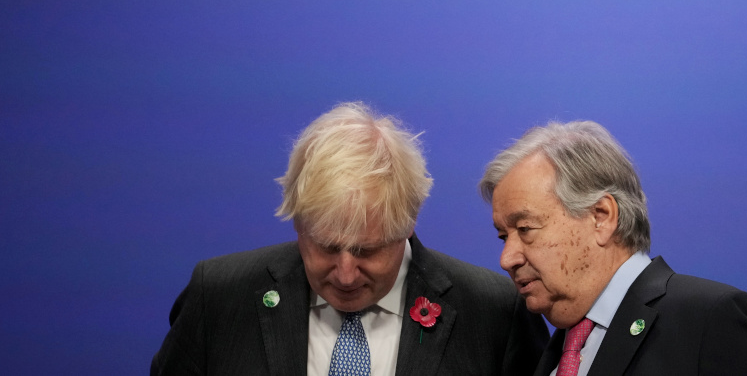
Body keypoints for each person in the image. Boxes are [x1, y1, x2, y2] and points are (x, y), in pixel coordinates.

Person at [152, 102, 548, 376]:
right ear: (297, 223)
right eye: (325, 246)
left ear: (408, 224)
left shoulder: (494, 313)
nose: (344, 274)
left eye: (366, 250)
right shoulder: (219, 297)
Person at [479, 120, 747, 376]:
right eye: (503, 237)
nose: (507, 259)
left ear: (601, 217)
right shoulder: (552, 356)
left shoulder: (711, 321)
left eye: (525, 229)